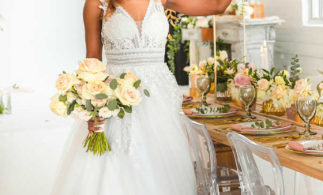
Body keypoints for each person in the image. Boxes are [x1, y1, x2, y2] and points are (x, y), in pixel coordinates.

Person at [50, 0, 230, 194]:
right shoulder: (96, 3)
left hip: (160, 105)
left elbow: (218, 6)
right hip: (115, 105)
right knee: (115, 172)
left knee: (162, 175)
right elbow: (93, 62)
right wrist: (92, 110)